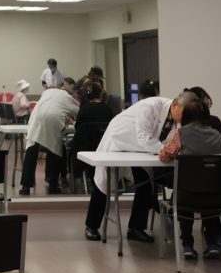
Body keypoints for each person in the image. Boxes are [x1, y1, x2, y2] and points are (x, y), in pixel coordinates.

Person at [83, 92, 197, 243]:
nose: (185, 119)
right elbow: (143, 137)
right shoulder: (150, 106)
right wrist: (165, 150)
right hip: (118, 141)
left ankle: (136, 228)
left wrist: (170, 149)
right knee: (104, 183)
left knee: (145, 183)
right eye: (184, 114)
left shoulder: (178, 118)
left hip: (140, 150)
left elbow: (172, 141)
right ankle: (91, 226)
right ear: (175, 105)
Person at [157, 100, 221, 259]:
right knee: (208, 193)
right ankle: (212, 244)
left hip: (187, 197)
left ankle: (188, 245)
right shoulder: (217, 135)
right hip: (217, 196)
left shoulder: (181, 134)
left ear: (185, 116)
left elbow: (165, 156)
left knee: (184, 193)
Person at [20, 79, 78, 195]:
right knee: (54, 150)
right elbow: (79, 114)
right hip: (52, 120)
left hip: (35, 119)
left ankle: (25, 187)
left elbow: (52, 106)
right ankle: (52, 185)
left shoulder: (47, 92)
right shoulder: (69, 98)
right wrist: (72, 120)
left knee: (31, 151)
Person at [70, 81, 113, 195]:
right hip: (103, 147)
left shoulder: (84, 109)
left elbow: (78, 127)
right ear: (100, 94)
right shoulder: (107, 109)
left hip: (85, 147)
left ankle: (77, 177)